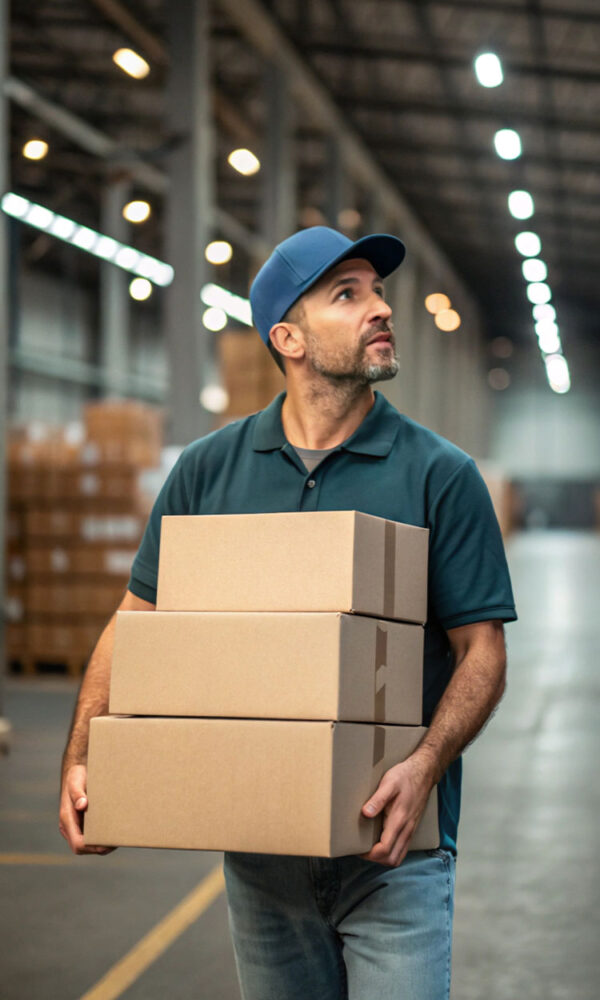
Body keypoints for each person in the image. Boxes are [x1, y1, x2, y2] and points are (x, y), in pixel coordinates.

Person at [60, 225, 517, 1000]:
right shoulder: (209, 472)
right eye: (348, 294)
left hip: (393, 855)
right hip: (260, 847)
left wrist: (424, 767)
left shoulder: (441, 475)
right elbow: (132, 619)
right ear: (288, 338)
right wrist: (84, 755)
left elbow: (483, 654)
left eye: (377, 290)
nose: (380, 308)